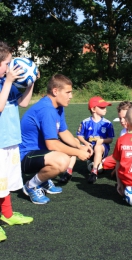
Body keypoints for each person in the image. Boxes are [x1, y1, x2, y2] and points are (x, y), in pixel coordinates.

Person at [20, 74, 91, 205]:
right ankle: (31, 185)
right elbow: (52, 144)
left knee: (74, 142)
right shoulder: (46, 110)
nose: (71, 96)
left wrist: (79, 146)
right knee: (62, 160)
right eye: (68, 92)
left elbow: (63, 132)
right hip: (25, 157)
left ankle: (43, 179)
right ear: (55, 91)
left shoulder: (57, 106)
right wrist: (78, 153)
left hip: (40, 153)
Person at [0, 41, 34, 242]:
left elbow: (24, 102)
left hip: (10, 141)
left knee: (4, 182)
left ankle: (8, 214)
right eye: (8, 63)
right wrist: (10, 82)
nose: (11, 68)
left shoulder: (6, 83)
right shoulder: (5, 84)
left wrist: (31, 83)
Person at [100, 101, 132, 176]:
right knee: (105, 162)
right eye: (120, 118)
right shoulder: (123, 132)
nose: (122, 121)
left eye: (124, 118)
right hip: (124, 156)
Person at [77, 96, 115, 184]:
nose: (105, 109)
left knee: (98, 147)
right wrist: (85, 143)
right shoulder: (85, 122)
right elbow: (79, 136)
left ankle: (94, 172)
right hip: (89, 147)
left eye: (105, 107)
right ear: (93, 109)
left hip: (102, 148)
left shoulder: (107, 123)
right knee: (73, 145)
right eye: (102, 107)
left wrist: (102, 141)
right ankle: (68, 172)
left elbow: (110, 139)